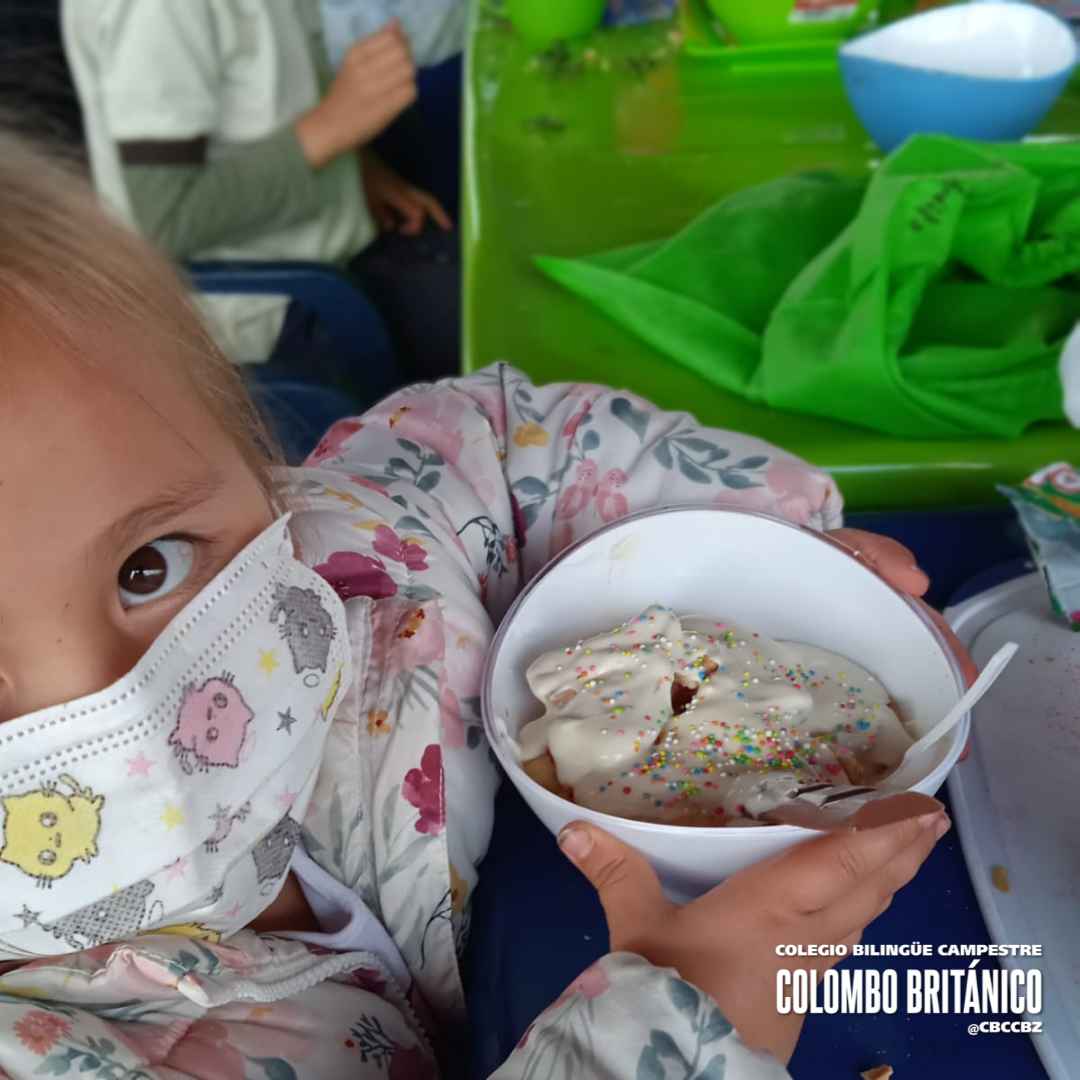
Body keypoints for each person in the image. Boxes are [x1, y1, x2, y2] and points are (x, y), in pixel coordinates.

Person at [0, 135, 967, 1079]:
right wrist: (666, 1034)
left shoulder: (360, 559)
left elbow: (501, 439)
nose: (124, 720)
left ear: (254, 467)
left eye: (149, 566)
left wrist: (776, 542)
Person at [61, 0, 461, 383]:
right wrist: (330, 129)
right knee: (483, 315)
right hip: (270, 307)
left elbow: (272, 95)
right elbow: (165, 217)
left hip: (326, 240)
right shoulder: (158, 11)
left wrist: (357, 165)